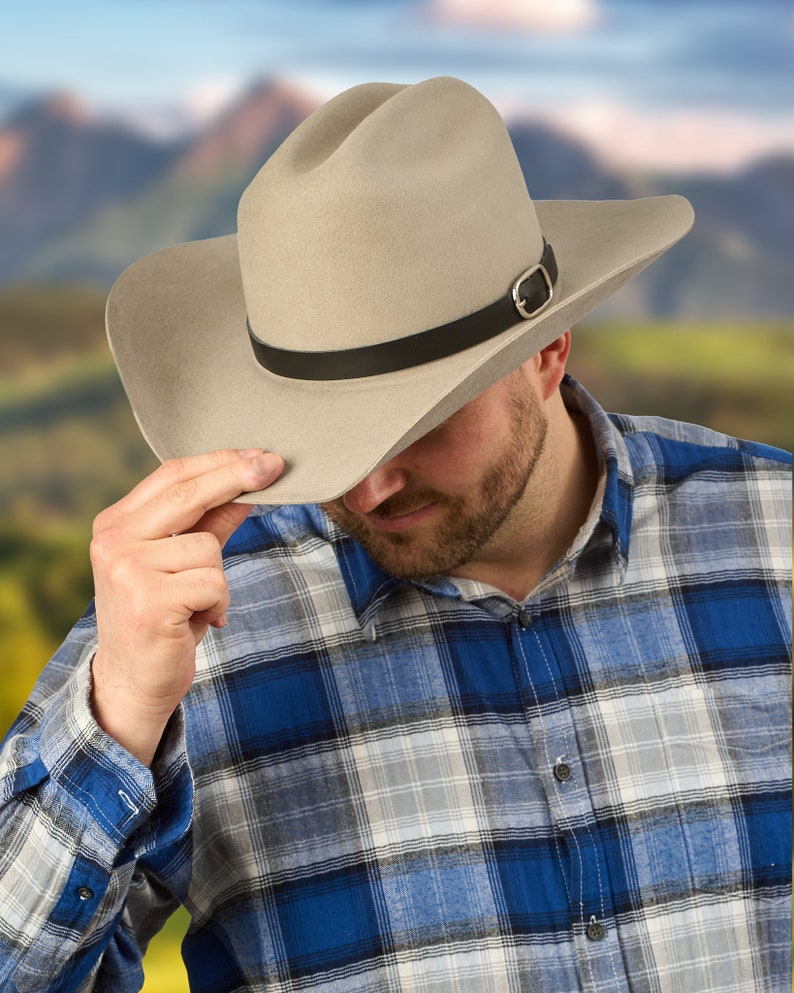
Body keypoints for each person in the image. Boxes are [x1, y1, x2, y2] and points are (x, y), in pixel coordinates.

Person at [0, 76, 790, 993]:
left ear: (547, 349)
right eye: (324, 432)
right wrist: (115, 720)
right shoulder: (179, 626)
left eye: (421, 420)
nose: (368, 483)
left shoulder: (774, 537)